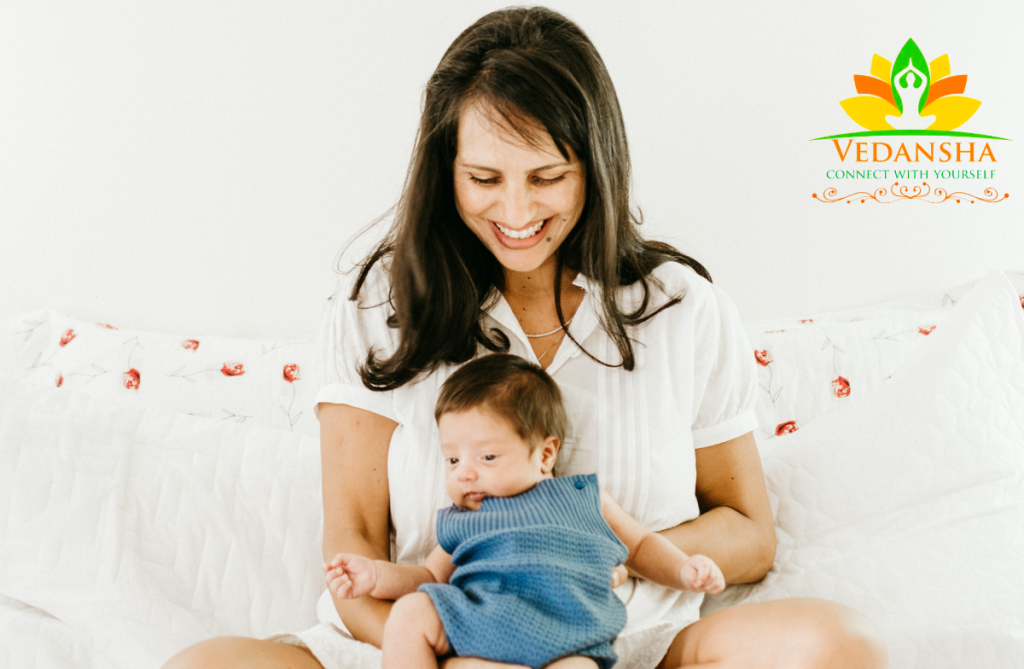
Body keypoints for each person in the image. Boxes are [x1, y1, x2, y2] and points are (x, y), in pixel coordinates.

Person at [163, 6, 888, 669]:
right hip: (436, 647)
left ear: (594, 168)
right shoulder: (379, 305)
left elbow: (748, 532)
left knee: (836, 644)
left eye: (547, 177)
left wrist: (611, 555)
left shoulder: (681, 308)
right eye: (484, 177)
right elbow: (352, 546)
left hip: (630, 645)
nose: (516, 211)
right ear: (446, 170)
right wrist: (432, 646)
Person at [323, 353, 726, 669]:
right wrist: (375, 576)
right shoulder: (464, 521)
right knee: (411, 613)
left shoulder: (584, 497)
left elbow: (639, 547)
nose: (465, 473)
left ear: (545, 454)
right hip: (479, 626)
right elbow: (429, 576)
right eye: (452, 460)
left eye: (487, 456)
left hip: (566, 636)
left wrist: (682, 570)